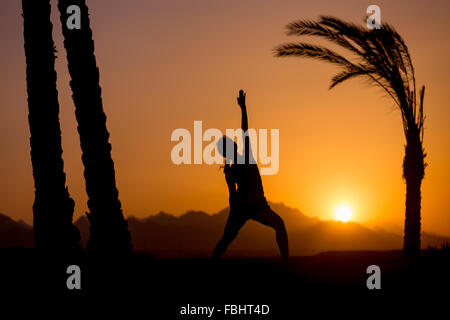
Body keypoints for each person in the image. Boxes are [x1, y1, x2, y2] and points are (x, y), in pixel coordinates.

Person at [213, 90, 289, 259]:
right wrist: (243, 108)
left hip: (250, 204)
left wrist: (243, 108)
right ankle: (287, 262)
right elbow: (244, 130)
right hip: (251, 204)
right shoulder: (238, 163)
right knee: (279, 225)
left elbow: (244, 131)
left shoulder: (236, 164)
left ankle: (287, 262)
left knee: (227, 239)